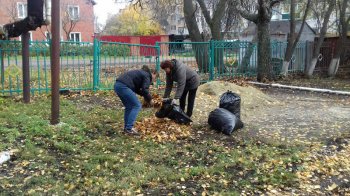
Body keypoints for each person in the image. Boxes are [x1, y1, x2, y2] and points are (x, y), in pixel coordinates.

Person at [114, 65, 158, 135]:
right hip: (124, 86)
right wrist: (150, 99)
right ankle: (129, 128)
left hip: (118, 85)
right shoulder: (147, 75)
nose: (153, 80)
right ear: (153, 73)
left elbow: (138, 89)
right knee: (137, 105)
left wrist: (145, 97)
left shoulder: (142, 73)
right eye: (155, 78)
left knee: (129, 106)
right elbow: (145, 89)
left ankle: (126, 128)